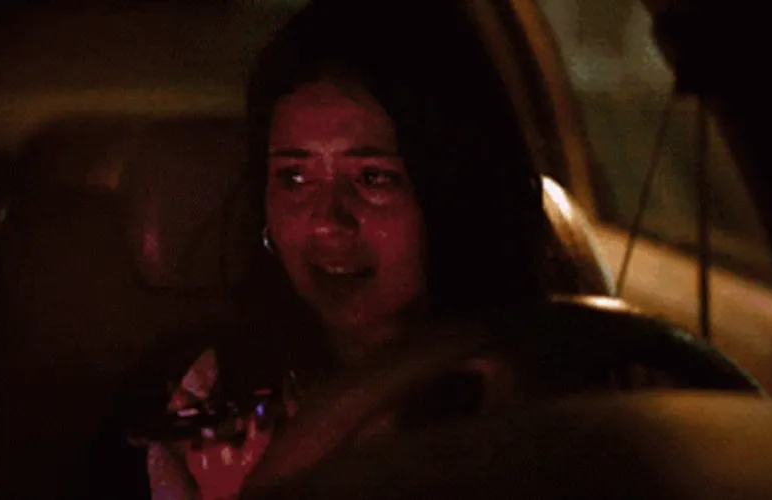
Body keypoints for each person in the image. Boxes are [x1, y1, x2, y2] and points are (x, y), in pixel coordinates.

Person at [138, 0, 550, 497]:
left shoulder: (536, 383)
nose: (327, 221)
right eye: (294, 178)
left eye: (374, 178)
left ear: (452, 192)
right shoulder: (213, 403)